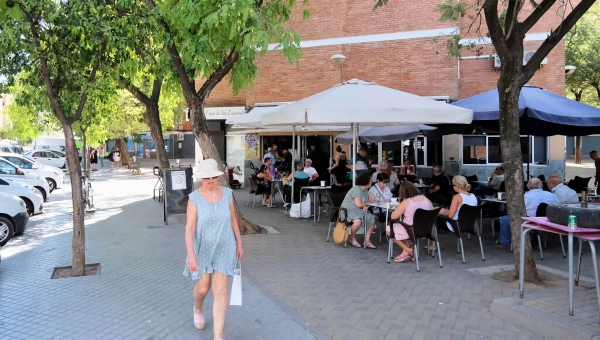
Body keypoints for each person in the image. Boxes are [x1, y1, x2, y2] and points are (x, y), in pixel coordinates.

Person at [184, 159, 243, 339]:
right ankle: (198, 307)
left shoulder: (227, 194)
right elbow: (190, 228)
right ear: (201, 178)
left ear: (218, 176)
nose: (211, 180)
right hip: (202, 248)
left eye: (214, 176)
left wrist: (239, 243)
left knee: (221, 291)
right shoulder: (194, 198)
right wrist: (191, 254)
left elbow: (233, 219)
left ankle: (219, 336)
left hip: (225, 246)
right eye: (206, 177)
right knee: (203, 288)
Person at [498, 178, 559, 248]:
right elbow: (557, 207)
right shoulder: (551, 195)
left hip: (529, 221)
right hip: (548, 221)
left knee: (504, 220)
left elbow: (515, 211)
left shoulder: (524, 197)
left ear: (528, 186)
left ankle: (505, 242)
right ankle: (533, 236)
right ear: (542, 185)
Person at [388, 181, 434, 262]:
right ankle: (405, 252)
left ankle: (407, 250)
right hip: (426, 230)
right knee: (403, 226)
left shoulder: (407, 201)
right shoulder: (427, 199)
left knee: (389, 229)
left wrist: (400, 204)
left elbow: (393, 217)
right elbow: (432, 212)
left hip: (411, 230)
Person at [433, 175, 478, 249]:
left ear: (456, 186)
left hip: (455, 225)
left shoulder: (457, 197)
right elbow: (463, 211)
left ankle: (432, 246)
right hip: (469, 225)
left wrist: (443, 212)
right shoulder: (473, 196)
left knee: (434, 219)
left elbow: (450, 216)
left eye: (453, 185)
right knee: (441, 210)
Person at [340, 172, 377, 249]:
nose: (372, 182)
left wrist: (365, 205)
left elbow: (364, 203)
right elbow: (358, 204)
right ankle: (352, 237)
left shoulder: (366, 191)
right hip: (348, 210)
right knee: (357, 222)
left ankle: (367, 241)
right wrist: (365, 205)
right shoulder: (356, 189)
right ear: (365, 181)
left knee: (372, 218)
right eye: (370, 181)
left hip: (358, 210)